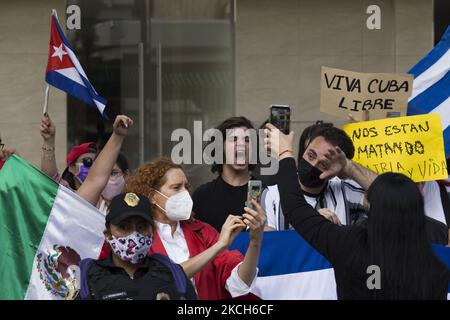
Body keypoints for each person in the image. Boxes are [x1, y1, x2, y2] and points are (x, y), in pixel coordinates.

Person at [265, 123, 450, 299]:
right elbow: (388, 197)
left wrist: (284, 153)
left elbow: (295, 208)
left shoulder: (351, 245)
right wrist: (348, 167)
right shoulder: (437, 272)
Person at [99, 157, 265, 300]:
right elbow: (160, 280)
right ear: (151, 195)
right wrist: (218, 246)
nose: (185, 193)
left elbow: (239, 283)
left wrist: (255, 240)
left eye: (186, 186)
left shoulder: (202, 231)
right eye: (176, 187)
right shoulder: (137, 237)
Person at [79, 192, 197, 300]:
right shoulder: (90, 279)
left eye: (142, 227)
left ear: (153, 233)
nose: (134, 236)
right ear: (108, 234)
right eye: (124, 227)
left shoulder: (172, 273)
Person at [262, 123, 368, 230]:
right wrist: (315, 222)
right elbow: (268, 242)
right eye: (311, 155)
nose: (312, 164)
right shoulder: (272, 196)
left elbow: (384, 196)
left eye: (323, 164)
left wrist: (349, 168)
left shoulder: (345, 192)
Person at [40, 113, 133, 209]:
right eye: (87, 162)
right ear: (71, 167)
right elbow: (50, 179)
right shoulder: (73, 198)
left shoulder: (131, 203)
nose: (93, 168)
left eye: (113, 173)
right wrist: (48, 141)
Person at [193, 116, 257, 232]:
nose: (242, 145)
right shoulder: (202, 196)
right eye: (234, 139)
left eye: (247, 140)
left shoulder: (264, 194)